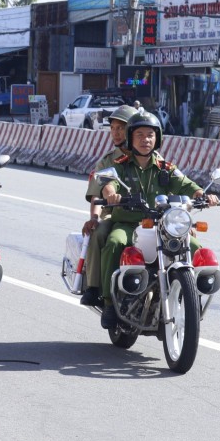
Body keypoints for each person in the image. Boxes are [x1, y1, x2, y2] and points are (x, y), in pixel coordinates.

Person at [98, 110, 220, 329]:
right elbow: (109, 184)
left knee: (194, 245)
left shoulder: (165, 168)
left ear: (158, 138)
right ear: (130, 137)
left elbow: (187, 185)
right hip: (128, 224)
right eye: (140, 135)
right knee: (115, 242)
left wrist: (204, 196)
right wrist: (110, 194)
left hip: (163, 225)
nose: (146, 139)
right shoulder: (120, 165)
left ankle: (190, 297)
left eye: (150, 135)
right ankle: (108, 302)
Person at [78, 103, 138, 307]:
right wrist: (94, 218)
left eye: (121, 128)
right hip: (115, 214)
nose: (116, 133)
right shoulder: (107, 161)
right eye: (113, 128)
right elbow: (98, 192)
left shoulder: (147, 157)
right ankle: (95, 287)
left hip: (147, 216)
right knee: (100, 233)